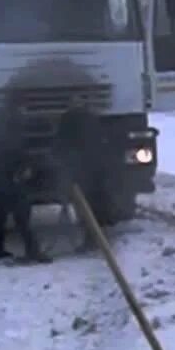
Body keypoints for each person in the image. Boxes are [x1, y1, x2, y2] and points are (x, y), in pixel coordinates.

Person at [0, 96, 49, 262]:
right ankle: (33, 250)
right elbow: (17, 150)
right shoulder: (13, 126)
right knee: (22, 213)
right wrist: (25, 166)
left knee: (0, 214)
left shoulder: (0, 122)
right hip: (12, 176)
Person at [54, 95, 104, 251]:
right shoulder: (92, 118)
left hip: (78, 169)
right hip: (91, 168)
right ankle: (95, 238)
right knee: (92, 205)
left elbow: (61, 143)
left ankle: (91, 239)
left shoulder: (67, 119)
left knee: (83, 206)